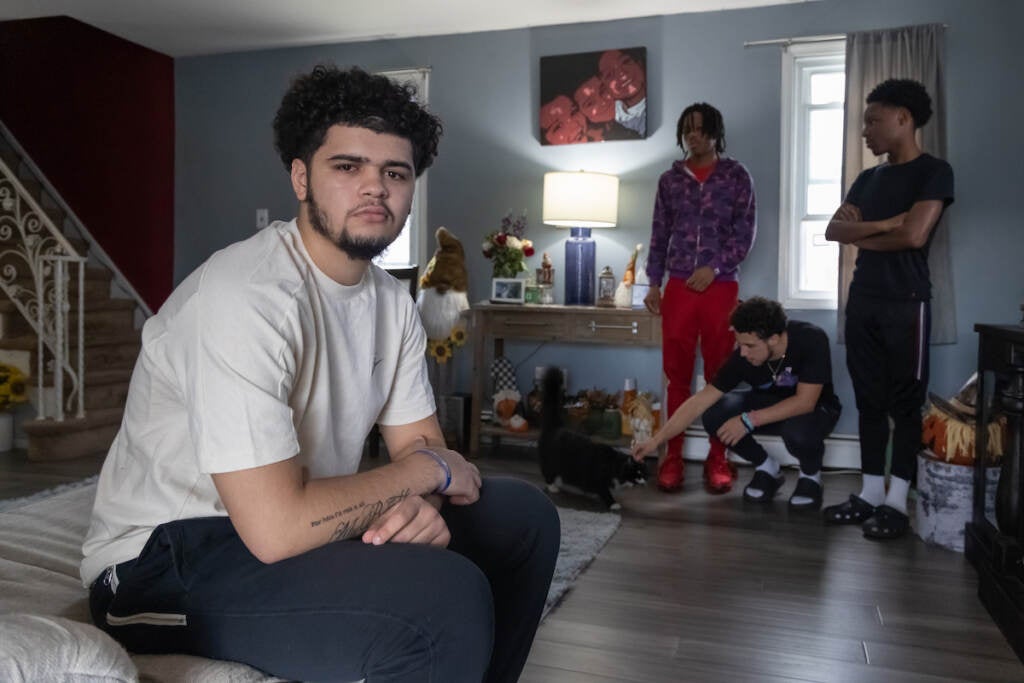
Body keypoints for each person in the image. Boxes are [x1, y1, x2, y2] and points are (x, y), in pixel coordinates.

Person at [81, 65, 560, 682]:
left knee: (522, 519)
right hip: (163, 561)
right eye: (347, 167)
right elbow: (278, 526)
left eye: (395, 172)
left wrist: (422, 486)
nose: (375, 189)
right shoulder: (246, 295)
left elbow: (424, 449)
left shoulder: (392, 303)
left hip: (291, 530)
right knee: (440, 600)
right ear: (301, 177)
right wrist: (420, 476)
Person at [823, 78, 954, 540]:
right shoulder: (867, 178)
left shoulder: (934, 172)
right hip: (863, 300)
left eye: (872, 120)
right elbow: (833, 232)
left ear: (903, 118)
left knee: (905, 405)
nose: (865, 131)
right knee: (869, 401)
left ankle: (898, 502)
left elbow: (914, 236)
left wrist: (871, 232)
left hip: (907, 303)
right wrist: (887, 223)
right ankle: (871, 493)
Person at [632, 297, 841, 509]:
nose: (743, 352)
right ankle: (768, 468)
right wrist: (656, 440)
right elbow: (699, 401)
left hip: (814, 410)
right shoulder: (743, 356)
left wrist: (749, 420)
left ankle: (810, 477)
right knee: (714, 415)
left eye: (750, 345)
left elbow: (805, 402)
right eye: (740, 344)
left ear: (774, 339)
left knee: (798, 432)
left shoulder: (811, 338)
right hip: (767, 403)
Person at [644, 102, 756, 494]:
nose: (694, 135)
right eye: (687, 129)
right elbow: (659, 234)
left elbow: (744, 234)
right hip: (677, 286)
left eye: (701, 128)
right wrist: (653, 282)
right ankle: (672, 458)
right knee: (677, 375)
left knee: (719, 374)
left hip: (720, 287)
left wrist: (716, 267)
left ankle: (718, 458)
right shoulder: (669, 181)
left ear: (714, 132)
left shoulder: (736, 177)